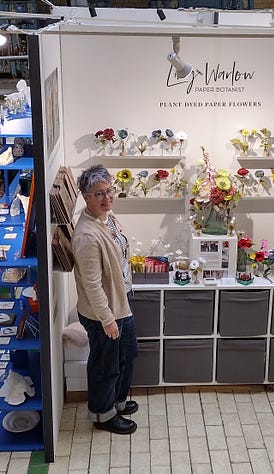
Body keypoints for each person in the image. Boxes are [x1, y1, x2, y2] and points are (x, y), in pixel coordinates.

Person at [72, 165, 138, 435]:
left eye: (109, 190)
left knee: (127, 356)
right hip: (104, 313)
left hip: (120, 303)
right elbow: (92, 285)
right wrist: (107, 320)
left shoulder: (106, 217)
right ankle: (103, 415)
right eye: (99, 193)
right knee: (105, 366)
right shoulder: (87, 235)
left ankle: (117, 402)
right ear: (86, 196)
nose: (107, 197)